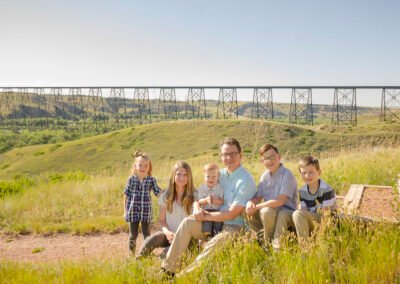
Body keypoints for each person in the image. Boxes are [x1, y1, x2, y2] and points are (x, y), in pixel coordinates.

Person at [160, 137, 256, 277]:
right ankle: (168, 270)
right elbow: (199, 196)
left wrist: (205, 215)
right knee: (187, 223)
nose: (228, 157)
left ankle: (182, 278)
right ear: (221, 156)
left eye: (233, 153)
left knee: (213, 245)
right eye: (225, 154)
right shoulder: (219, 174)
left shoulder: (245, 180)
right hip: (212, 222)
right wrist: (197, 207)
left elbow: (231, 214)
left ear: (240, 155)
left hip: (233, 226)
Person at [137, 161, 196, 258]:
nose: (182, 178)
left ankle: (159, 261)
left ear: (189, 177)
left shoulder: (195, 195)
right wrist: (167, 232)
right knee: (152, 239)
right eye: (178, 174)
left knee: (168, 252)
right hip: (170, 234)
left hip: (187, 238)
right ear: (173, 175)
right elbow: (162, 220)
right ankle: (138, 260)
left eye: (185, 175)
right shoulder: (165, 195)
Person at [246, 144, 298, 250]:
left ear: (279, 157)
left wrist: (258, 207)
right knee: (245, 210)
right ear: (262, 161)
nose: (269, 161)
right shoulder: (265, 175)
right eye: (266, 158)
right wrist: (250, 203)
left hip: (286, 212)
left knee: (266, 211)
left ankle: (268, 244)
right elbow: (258, 197)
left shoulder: (287, 175)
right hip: (270, 212)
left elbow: (280, 201)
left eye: (272, 157)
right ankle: (262, 236)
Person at [124, 151, 161, 255]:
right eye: (140, 165)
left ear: (149, 167)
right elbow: (126, 195)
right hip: (133, 211)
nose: (143, 168)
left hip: (146, 212)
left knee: (147, 234)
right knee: (133, 235)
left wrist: (169, 193)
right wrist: (125, 211)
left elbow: (158, 192)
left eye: (146, 166)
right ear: (135, 166)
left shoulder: (151, 180)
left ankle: (146, 254)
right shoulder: (131, 180)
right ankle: (131, 255)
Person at [293, 156, 336, 244]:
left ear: (319, 172)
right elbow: (304, 211)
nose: (307, 176)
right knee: (297, 213)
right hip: (312, 219)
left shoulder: (326, 189)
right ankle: (305, 245)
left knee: (297, 213)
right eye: (303, 172)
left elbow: (326, 216)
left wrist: (319, 236)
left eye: (311, 172)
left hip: (326, 221)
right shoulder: (302, 191)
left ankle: (305, 246)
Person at [195, 163, 224, 237]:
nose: (211, 179)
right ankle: (207, 235)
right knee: (207, 222)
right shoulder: (202, 188)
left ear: (218, 178)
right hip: (206, 210)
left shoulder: (220, 188)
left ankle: (216, 234)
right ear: (204, 177)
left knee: (218, 222)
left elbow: (223, 201)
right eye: (208, 176)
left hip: (218, 211)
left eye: (214, 177)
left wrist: (215, 200)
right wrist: (206, 200)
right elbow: (199, 201)